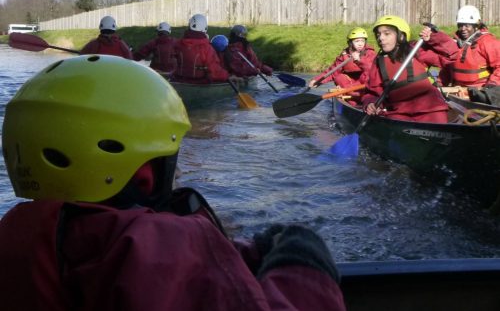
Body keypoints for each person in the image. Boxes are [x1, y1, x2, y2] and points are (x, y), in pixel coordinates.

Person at [0, 56, 346, 311]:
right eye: (171, 155)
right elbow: (163, 264)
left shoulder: (22, 236)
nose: (176, 171)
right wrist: (304, 265)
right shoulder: (163, 245)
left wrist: (241, 253)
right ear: (144, 174)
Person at [362, 15, 459, 123]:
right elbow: (373, 92)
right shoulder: (379, 61)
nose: (381, 38)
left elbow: (451, 55)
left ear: (401, 36)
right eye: (378, 34)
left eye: (387, 34)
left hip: (431, 110)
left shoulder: (416, 50)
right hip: (399, 113)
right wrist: (371, 103)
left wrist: (434, 38)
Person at [439, 5, 500, 88]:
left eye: (467, 25)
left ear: (476, 26)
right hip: (457, 89)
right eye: (460, 25)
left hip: (481, 89)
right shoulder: (454, 43)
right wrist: (439, 83)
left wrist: (493, 84)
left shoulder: (488, 42)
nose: (463, 29)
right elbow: (447, 67)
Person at [309, 27, 377, 92]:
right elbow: (333, 72)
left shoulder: (370, 53)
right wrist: (318, 80)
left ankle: (354, 94)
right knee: (339, 78)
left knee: (367, 76)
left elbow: (371, 70)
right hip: (349, 86)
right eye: (357, 41)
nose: (360, 44)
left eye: (362, 41)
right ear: (350, 43)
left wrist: (359, 60)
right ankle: (348, 94)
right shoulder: (345, 55)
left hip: (364, 85)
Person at [172, 14, 232, 84]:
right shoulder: (207, 48)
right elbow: (214, 71)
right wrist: (227, 76)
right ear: (205, 28)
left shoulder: (178, 44)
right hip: (199, 83)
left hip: (179, 81)